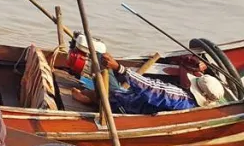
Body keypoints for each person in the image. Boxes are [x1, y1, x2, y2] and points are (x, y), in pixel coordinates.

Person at [71, 52, 225, 114]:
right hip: (132, 101)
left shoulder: (179, 97)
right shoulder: (194, 107)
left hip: (122, 105)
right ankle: (92, 96)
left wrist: (119, 68)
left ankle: (94, 98)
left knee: (99, 57)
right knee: (118, 88)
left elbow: (150, 87)